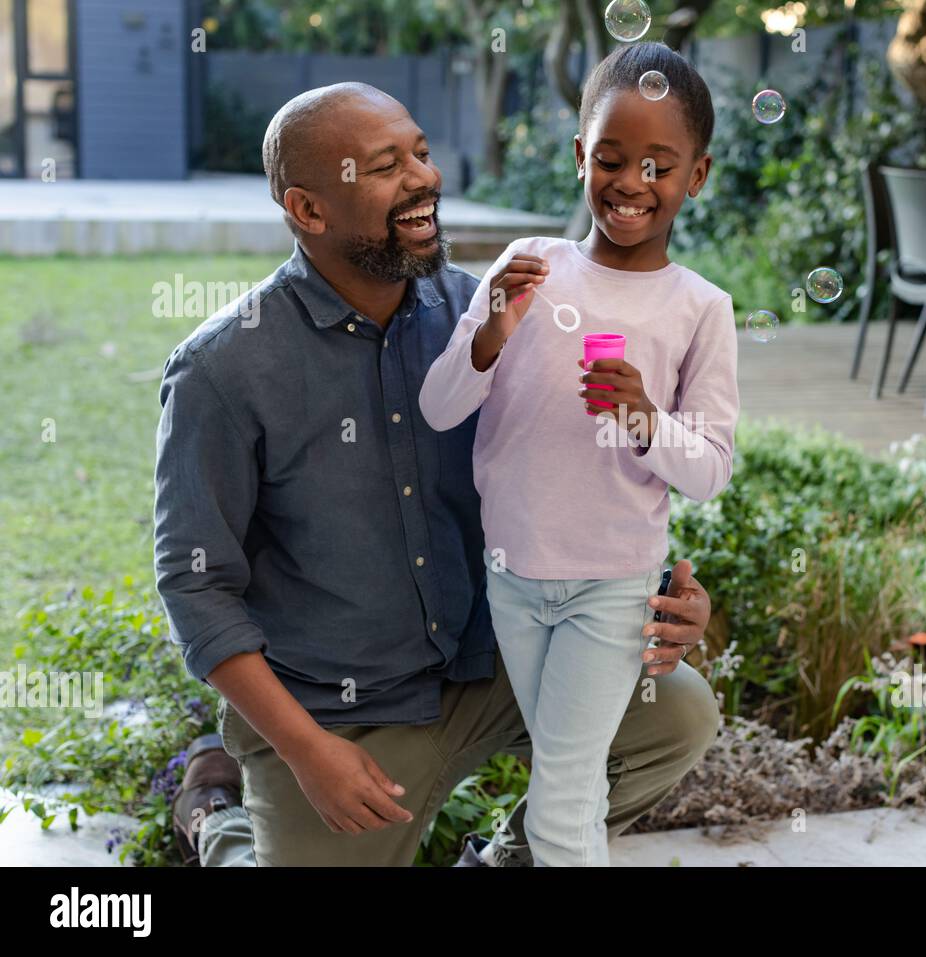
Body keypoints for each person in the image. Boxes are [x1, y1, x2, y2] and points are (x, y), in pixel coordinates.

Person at [153, 80, 720, 867]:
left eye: (421, 152)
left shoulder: (492, 310)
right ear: (309, 210)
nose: (425, 178)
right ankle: (218, 816)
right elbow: (194, 586)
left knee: (676, 714)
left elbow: (594, 464)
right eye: (386, 166)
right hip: (342, 713)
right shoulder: (224, 370)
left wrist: (657, 595)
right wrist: (308, 751)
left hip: (499, 665)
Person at [419, 42, 737, 866]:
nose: (632, 182)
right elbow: (439, 404)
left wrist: (644, 418)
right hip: (514, 578)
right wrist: (490, 332)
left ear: (696, 176)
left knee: (560, 797)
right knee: (577, 782)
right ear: (580, 157)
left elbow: (707, 469)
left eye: (660, 166)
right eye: (612, 158)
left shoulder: (702, 308)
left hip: (612, 583)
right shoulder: (531, 268)